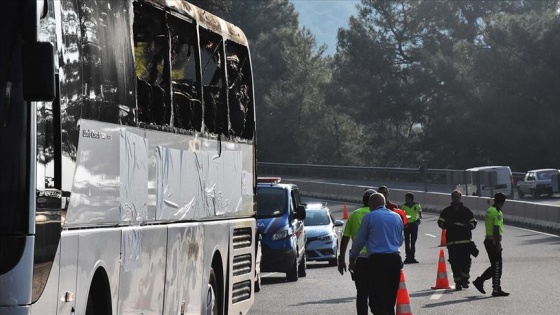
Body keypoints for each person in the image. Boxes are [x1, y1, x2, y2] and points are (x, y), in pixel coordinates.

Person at [350, 193, 404, 315]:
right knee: (390, 299)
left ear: (372, 204)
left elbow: (359, 241)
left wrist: (352, 257)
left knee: (376, 300)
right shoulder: (397, 217)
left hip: (377, 261)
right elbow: (400, 240)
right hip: (395, 260)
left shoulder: (370, 217)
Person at [338, 188, 376, 315]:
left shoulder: (354, 215)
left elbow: (345, 238)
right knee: (377, 292)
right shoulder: (378, 214)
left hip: (359, 259)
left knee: (361, 293)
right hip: (377, 259)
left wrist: (341, 259)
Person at [437, 190, 477, 290]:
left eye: (458, 197)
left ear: (460, 198)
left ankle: (465, 280)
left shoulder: (466, 211)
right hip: (452, 242)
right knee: (455, 262)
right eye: (454, 197)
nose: (456, 198)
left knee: (466, 261)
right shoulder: (446, 211)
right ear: (452, 198)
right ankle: (458, 281)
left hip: (465, 241)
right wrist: (447, 225)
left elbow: (473, 222)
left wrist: (468, 226)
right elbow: (440, 222)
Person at [473, 192, 510, 297]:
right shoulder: (498, 213)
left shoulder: (489, 210)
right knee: (497, 267)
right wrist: (498, 244)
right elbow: (496, 229)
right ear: (502, 202)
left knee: (495, 266)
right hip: (493, 242)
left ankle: (496, 288)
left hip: (488, 241)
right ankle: (482, 282)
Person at [401, 192, 422, 264]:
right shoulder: (404, 206)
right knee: (407, 241)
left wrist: (418, 220)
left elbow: (419, 214)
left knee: (413, 242)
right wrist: (404, 223)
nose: (406, 200)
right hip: (407, 225)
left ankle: (412, 257)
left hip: (414, 225)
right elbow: (402, 215)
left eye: (407, 198)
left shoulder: (417, 205)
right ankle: (408, 257)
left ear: (411, 199)